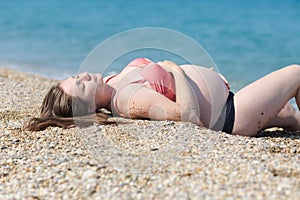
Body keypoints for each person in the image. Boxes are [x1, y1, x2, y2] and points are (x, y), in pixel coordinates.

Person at [25, 58, 300, 136]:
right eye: (83, 86)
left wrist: (206, 79)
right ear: (89, 105)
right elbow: (189, 117)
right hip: (233, 114)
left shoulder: (111, 81)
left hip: (229, 98)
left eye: (77, 77)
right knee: (295, 74)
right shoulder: (127, 98)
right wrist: (177, 70)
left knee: (293, 118)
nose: (85, 76)